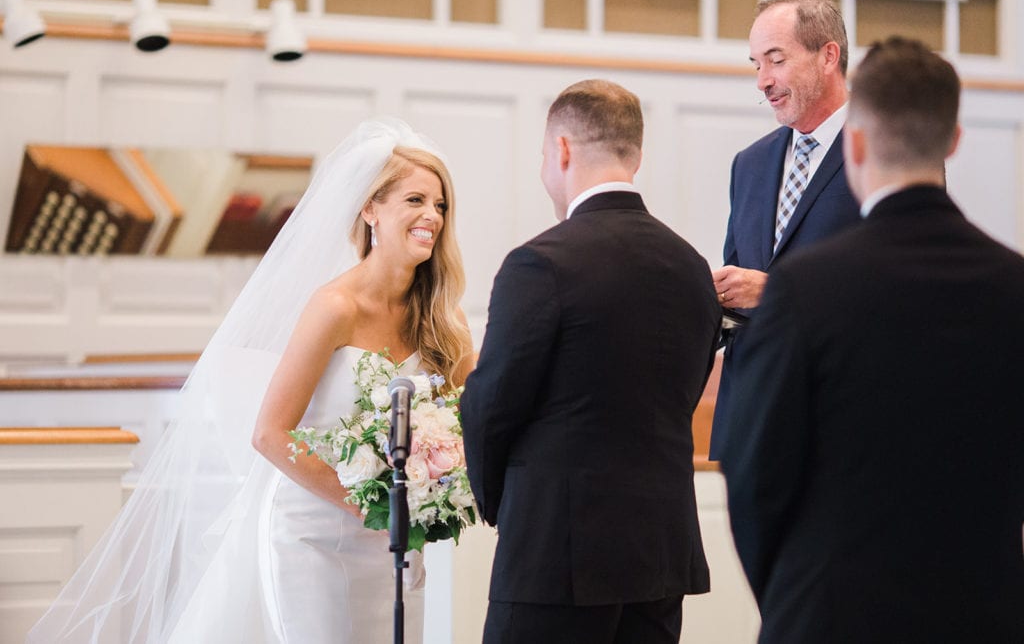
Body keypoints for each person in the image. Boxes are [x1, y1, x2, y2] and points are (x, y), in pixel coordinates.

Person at [28, 118, 474, 643]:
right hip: (312, 537)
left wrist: (437, 489)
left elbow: (468, 424)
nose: (432, 217)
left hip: (397, 545)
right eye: (416, 200)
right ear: (370, 209)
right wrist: (367, 503)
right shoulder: (334, 307)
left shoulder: (446, 320)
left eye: (440, 205)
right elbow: (269, 432)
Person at [719, 36, 1024, 643]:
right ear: (953, 143)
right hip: (984, 612)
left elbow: (755, 476)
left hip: (833, 610)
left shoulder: (802, 291)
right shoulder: (1014, 287)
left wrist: (792, 593)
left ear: (854, 144)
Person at [460, 79, 721, 643]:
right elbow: (688, 388)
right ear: (637, 155)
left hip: (556, 551)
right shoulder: (692, 267)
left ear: (561, 150)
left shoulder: (540, 263)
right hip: (659, 554)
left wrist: (501, 503)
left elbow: (492, 404)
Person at [709, 0, 861, 459]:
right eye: (756, 64)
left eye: (775, 61)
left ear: (827, 56)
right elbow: (737, 284)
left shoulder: (885, 152)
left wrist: (774, 294)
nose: (762, 81)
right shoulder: (749, 164)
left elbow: (903, 290)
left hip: (842, 422)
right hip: (752, 425)